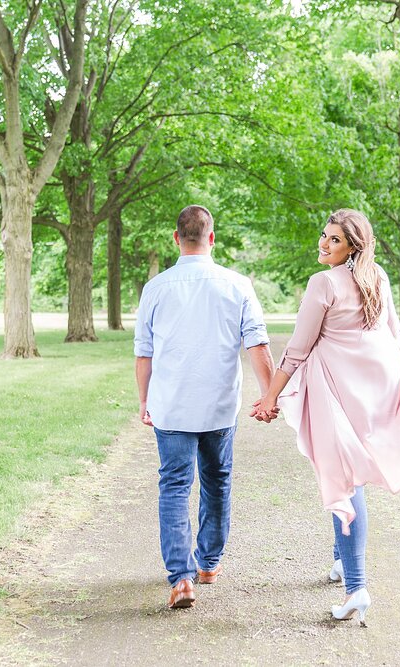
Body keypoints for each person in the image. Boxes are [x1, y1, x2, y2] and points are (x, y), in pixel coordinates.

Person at [252, 208, 400, 625]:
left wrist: (269, 398)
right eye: (324, 235)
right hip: (372, 388)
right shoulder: (378, 279)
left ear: (353, 247)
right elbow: (393, 336)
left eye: (335, 239)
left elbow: (297, 350)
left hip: (337, 392)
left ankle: (357, 587)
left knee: (345, 480)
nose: (324, 243)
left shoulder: (323, 283)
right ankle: (342, 562)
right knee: (346, 472)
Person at [135, 205, 278, 610]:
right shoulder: (237, 285)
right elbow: (257, 344)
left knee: (175, 486)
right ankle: (209, 563)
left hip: (172, 406)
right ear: (212, 238)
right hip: (218, 407)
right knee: (217, 482)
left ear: (176, 239)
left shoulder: (156, 288)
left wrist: (145, 401)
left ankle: (181, 578)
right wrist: (269, 396)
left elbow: (144, 355)